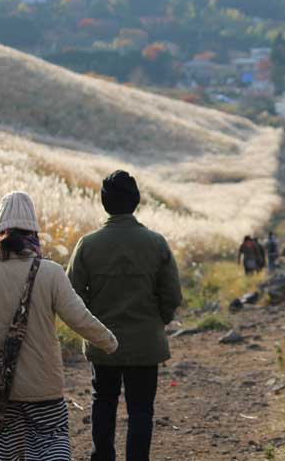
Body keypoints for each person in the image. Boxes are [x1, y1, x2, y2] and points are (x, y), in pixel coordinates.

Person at [0, 191, 118, 461]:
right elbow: (79, 317)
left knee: (4, 450)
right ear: (34, 232)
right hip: (43, 386)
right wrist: (108, 342)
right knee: (50, 442)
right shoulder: (51, 272)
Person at [67, 170, 182, 461]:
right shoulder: (156, 243)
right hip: (145, 343)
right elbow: (172, 295)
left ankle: (101, 457)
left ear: (105, 203)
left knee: (102, 401)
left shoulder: (88, 244)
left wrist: (91, 327)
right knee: (141, 410)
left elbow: (72, 295)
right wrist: (157, 322)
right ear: (136, 201)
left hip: (102, 342)